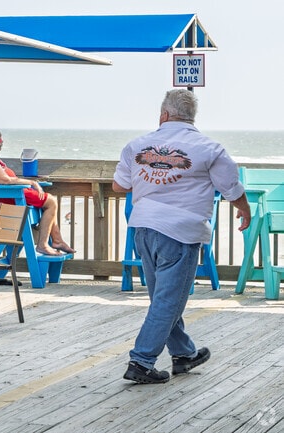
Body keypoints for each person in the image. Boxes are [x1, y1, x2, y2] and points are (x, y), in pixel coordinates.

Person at [113, 89, 251, 384]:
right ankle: (141, 361)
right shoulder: (209, 148)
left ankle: (184, 354)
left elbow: (118, 186)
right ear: (192, 117)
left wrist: (150, 176)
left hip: (144, 229)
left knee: (163, 298)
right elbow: (231, 187)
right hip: (181, 232)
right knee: (167, 301)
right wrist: (245, 210)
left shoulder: (136, 145)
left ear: (163, 115)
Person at [0, 128, 75, 256]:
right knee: (51, 202)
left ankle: (57, 240)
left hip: (5, 197)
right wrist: (32, 182)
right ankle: (43, 244)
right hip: (9, 199)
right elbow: (5, 180)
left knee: (48, 202)